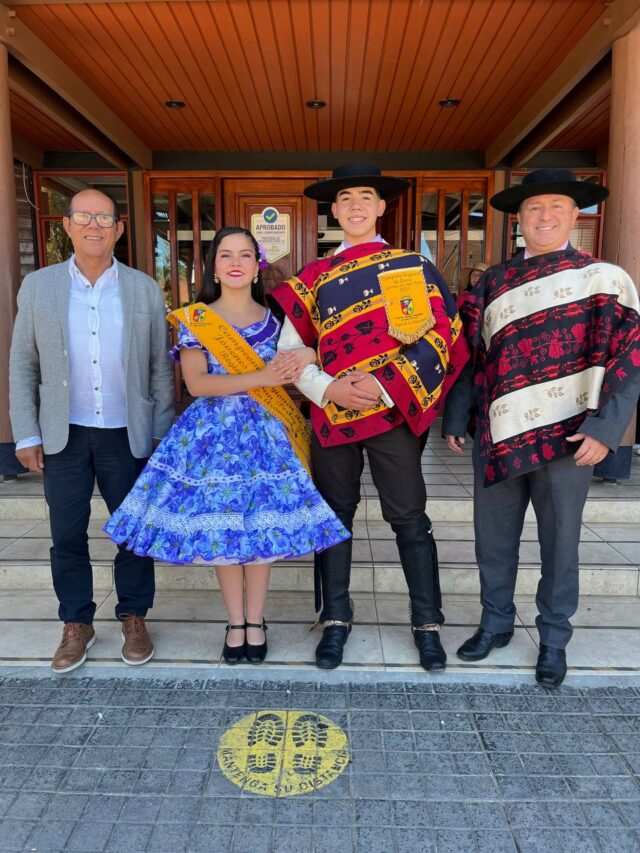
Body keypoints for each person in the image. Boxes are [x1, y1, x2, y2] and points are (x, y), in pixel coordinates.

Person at [104, 227, 350, 665]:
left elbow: (318, 352)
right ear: (214, 267)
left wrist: (309, 355)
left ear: (257, 266)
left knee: (259, 531)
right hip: (213, 438)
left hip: (269, 434)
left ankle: (255, 621)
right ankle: (235, 621)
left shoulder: (280, 321)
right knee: (225, 530)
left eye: (245, 255)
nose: (235, 262)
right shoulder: (195, 318)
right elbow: (198, 384)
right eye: (225, 255)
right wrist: (262, 377)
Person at [443, 168, 640, 688]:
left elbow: (630, 359)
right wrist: (456, 417)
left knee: (560, 544)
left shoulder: (605, 279)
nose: (545, 216)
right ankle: (495, 623)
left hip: (571, 438)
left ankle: (554, 639)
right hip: (499, 434)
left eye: (556, 206)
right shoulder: (492, 282)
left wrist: (606, 429)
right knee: (493, 542)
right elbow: (469, 356)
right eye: (533, 208)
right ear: (519, 219)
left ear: (576, 215)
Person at [270, 163, 469, 671]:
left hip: (393, 412)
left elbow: (440, 336)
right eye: (345, 199)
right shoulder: (311, 279)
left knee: (409, 517)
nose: (355, 205)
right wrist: (330, 386)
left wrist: (381, 386)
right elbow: (292, 352)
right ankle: (335, 618)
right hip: (331, 415)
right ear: (333, 211)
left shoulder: (411, 267)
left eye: (366, 196)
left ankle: (427, 623)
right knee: (334, 518)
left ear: (381, 207)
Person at [9, 189, 174, 673]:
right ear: (68, 225)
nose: (94, 225)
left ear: (119, 229)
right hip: (64, 432)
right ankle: (76, 623)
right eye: (84, 216)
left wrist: (161, 433)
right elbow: (22, 364)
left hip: (128, 432)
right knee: (66, 535)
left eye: (104, 217)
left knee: (133, 533)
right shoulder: (39, 287)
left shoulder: (144, 288)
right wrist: (25, 433)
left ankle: (133, 615)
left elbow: (159, 369)